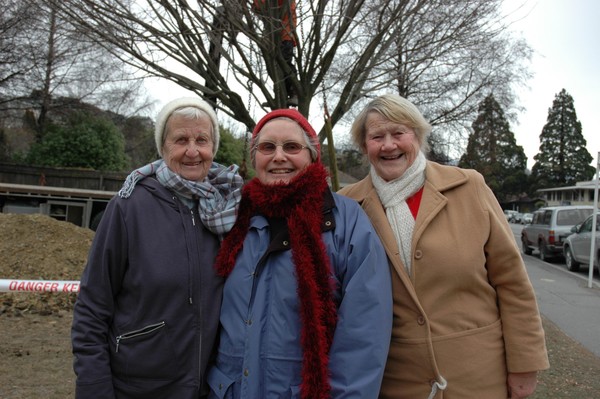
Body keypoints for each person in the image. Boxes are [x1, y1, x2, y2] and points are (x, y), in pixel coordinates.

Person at [338, 94, 550, 399]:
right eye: (376, 137)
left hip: (479, 377)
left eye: (399, 133)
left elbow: (513, 283)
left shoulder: (469, 186)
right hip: (394, 381)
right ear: (363, 145)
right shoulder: (347, 206)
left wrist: (525, 366)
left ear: (419, 136)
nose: (388, 145)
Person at [206, 109, 392, 399]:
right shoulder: (231, 220)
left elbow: (363, 337)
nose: (279, 157)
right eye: (268, 147)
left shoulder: (346, 223)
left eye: (291, 147)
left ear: (312, 155)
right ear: (255, 157)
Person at [71, 97, 243, 398]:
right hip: (137, 388)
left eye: (202, 140)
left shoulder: (231, 208)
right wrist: (93, 388)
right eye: (180, 140)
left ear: (213, 147)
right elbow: (92, 308)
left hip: (209, 388)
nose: (192, 151)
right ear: (163, 148)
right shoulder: (128, 207)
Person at [254, 0, 299, 107]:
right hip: (275, 37)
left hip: (285, 35)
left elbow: (265, 4)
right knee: (274, 68)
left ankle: (294, 93)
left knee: (285, 63)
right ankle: (281, 95)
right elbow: (260, 9)